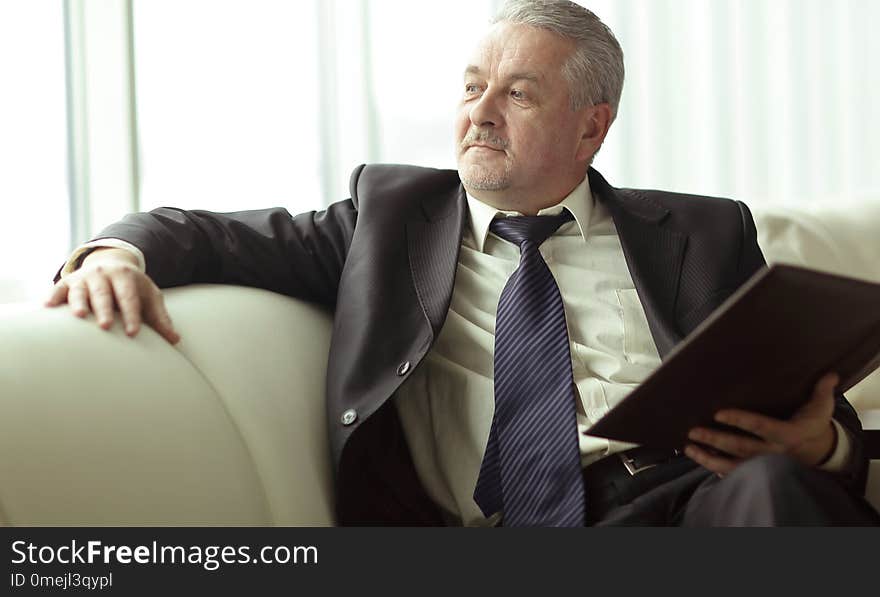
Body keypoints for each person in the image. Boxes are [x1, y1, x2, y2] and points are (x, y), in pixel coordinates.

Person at [46, 0, 879, 526]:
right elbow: (202, 230)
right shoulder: (390, 217)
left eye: (518, 93)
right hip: (501, 523)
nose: (479, 112)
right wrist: (117, 250)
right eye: (472, 85)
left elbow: (801, 397)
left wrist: (827, 445)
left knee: (777, 490)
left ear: (592, 126)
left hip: (689, 498)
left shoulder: (704, 231)